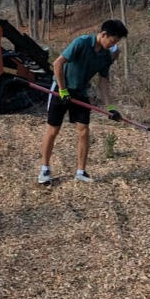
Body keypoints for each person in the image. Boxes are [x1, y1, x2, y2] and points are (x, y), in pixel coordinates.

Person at [38, 19, 128, 184]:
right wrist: (62, 90)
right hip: (60, 87)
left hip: (80, 91)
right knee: (53, 130)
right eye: (113, 41)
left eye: (116, 43)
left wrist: (110, 107)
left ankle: (81, 172)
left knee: (83, 130)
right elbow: (57, 63)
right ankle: (44, 169)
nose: (113, 45)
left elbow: (103, 82)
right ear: (103, 34)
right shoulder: (82, 42)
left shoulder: (105, 56)